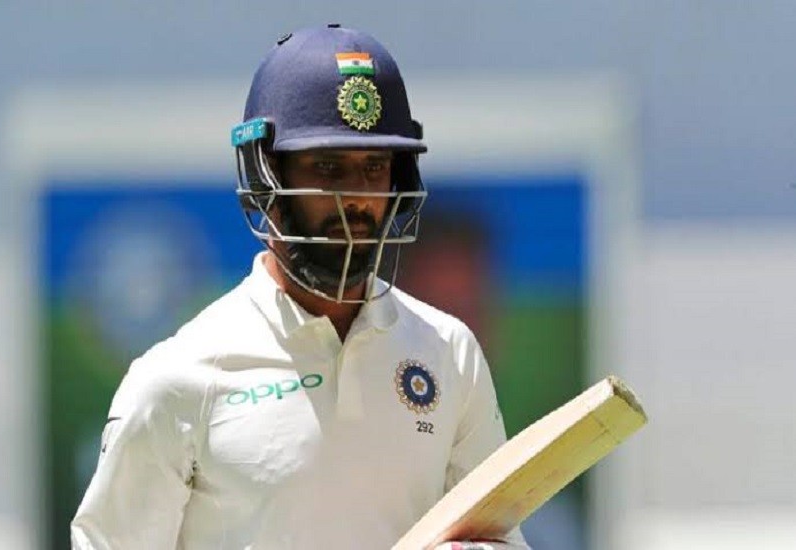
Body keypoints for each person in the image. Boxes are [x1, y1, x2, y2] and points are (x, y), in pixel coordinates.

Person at [71, 25, 529, 549]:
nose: (355, 198)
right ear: (265, 174)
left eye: (374, 167)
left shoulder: (448, 353)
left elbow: (500, 537)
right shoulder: (177, 381)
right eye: (327, 167)